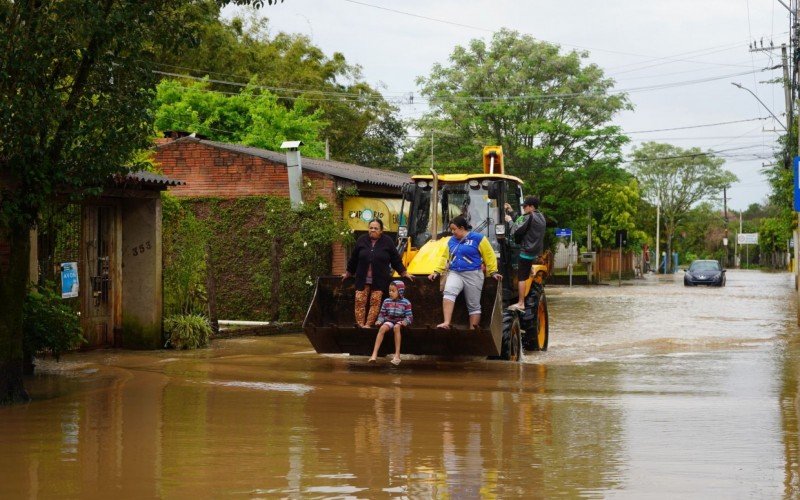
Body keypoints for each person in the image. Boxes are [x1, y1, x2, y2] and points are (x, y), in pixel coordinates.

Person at [427, 215, 502, 329]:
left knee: (473, 305)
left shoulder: (478, 238)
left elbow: (489, 255)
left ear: (462, 228)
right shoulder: (451, 241)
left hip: (473, 274)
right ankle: (446, 322)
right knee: (448, 292)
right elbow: (444, 258)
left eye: (454, 229)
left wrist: (493, 272)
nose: (452, 232)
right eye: (451, 230)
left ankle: (473, 331)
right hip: (455, 272)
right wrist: (437, 271)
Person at [343, 219, 413, 328]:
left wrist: (404, 272)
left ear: (381, 230)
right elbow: (354, 259)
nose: (373, 230)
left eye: (376, 228)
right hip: (362, 279)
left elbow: (395, 259)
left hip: (379, 279)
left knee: (375, 303)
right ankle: (360, 325)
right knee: (359, 302)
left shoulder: (387, 241)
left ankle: (368, 325)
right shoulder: (361, 240)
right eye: (370, 228)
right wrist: (348, 273)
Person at [506, 196, 546, 312]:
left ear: (531, 207)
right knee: (526, 272)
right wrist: (512, 211)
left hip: (526, 252)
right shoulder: (541, 217)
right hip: (534, 252)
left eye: (525, 206)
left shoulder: (529, 217)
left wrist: (509, 220)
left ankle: (521, 303)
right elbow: (522, 222)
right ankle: (531, 271)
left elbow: (515, 229)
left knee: (521, 278)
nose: (523, 209)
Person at [369, 280, 413, 365]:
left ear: (400, 291)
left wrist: (405, 322)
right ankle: (374, 354)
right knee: (382, 328)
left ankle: (397, 355)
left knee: (396, 327)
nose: (390, 293)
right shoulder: (386, 301)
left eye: (393, 291)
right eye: (389, 290)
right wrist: (380, 320)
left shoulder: (406, 302)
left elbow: (410, 317)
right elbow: (382, 314)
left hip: (399, 322)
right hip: (389, 321)